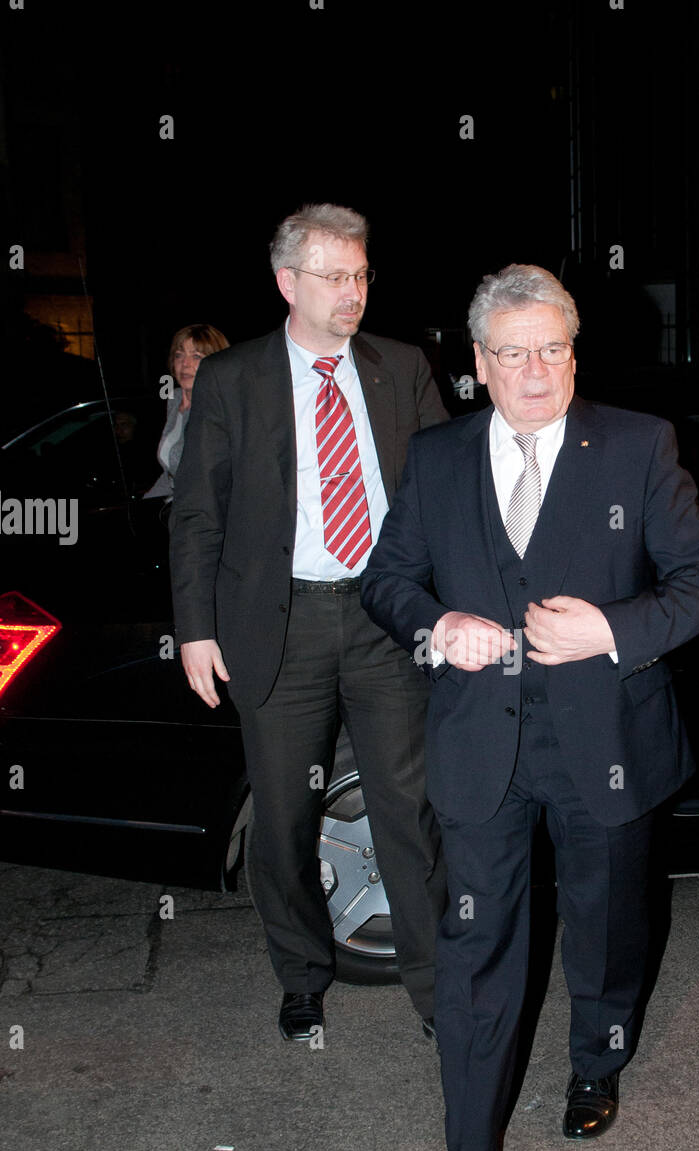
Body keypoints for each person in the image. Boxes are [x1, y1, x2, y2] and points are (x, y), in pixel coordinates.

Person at [361, 264, 699, 1151]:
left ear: (575, 352)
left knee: (609, 929)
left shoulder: (637, 447)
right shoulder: (436, 458)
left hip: (606, 745)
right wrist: (438, 624)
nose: (536, 370)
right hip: (481, 751)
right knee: (478, 951)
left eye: (554, 349)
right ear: (479, 362)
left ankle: (595, 1061)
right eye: (513, 352)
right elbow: (389, 580)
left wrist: (612, 629)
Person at [169, 203, 449, 1043]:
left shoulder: (401, 369)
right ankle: (301, 973)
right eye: (335, 276)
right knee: (285, 819)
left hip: (383, 620)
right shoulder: (233, 381)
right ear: (287, 282)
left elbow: (444, 495)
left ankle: (438, 992)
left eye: (362, 274)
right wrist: (195, 629)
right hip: (277, 628)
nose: (354, 292)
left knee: (408, 809)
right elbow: (196, 518)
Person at [143, 324, 229, 499]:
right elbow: (171, 474)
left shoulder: (220, 407)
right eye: (179, 354)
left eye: (196, 356)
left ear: (217, 362)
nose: (185, 363)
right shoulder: (174, 399)